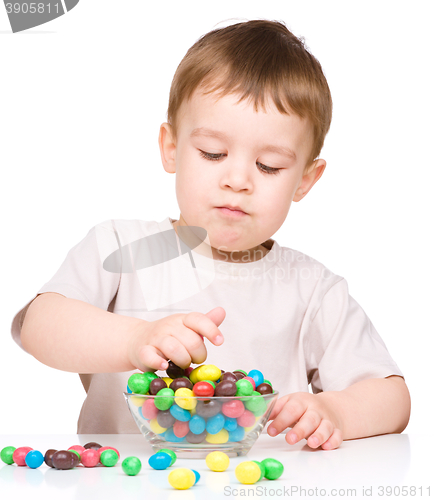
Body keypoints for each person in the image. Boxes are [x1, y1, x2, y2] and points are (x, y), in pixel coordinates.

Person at [12, 20, 410, 449]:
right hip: (125, 487)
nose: (237, 179)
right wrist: (134, 340)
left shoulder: (311, 289)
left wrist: (335, 411)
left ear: (305, 180)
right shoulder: (121, 249)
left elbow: (393, 398)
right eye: (213, 153)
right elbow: (39, 324)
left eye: (270, 165)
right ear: (171, 148)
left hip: (259, 486)